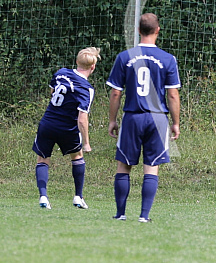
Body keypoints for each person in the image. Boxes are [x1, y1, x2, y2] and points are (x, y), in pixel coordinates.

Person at [107, 13, 181, 222]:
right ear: (158, 30)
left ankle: (121, 214)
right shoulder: (168, 59)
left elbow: (115, 93)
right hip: (157, 119)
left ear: (138, 30)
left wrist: (112, 120)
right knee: (152, 166)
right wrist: (175, 123)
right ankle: (144, 216)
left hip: (132, 116)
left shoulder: (125, 56)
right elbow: (173, 94)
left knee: (124, 166)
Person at [33, 47, 100, 210]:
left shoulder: (61, 73)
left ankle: (43, 196)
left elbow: (52, 91)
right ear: (93, 67)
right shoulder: (87, 89)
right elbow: (82, 119)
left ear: (76, 62)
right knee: (77, 157)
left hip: (47, 123)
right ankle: (78, 196)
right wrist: (86, 143)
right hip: (67, 129)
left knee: (42, 159)